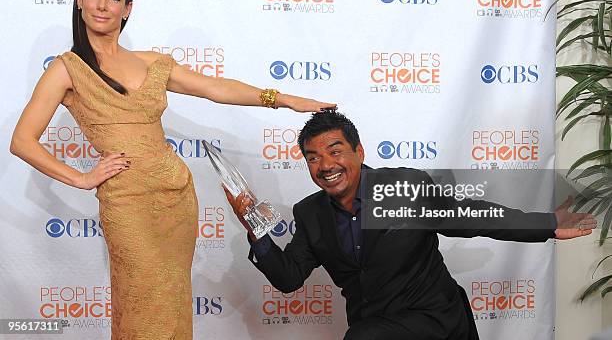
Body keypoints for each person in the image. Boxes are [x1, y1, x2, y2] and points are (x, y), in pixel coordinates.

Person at [9, 0, 334, 340]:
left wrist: (283, 99)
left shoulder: (150, 62)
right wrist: (82, 179)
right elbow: (22, 141)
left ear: (127, 9)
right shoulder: (67, 68)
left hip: (175, 197)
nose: (102, 5)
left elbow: (214, 88)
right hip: (126, 200)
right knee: (144, 302)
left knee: (173, 299)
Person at [225, 111, 597, 340]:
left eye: (335, 151)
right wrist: (255, 230)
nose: (325, 165)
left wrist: (547, 224)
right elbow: (289, 278)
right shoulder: (310, 213)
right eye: (312, 158)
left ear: (359, 152)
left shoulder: (400, 187)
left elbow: (472, 215)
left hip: (435, 320)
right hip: (376, 327)